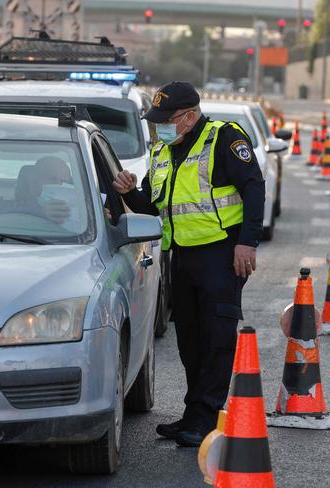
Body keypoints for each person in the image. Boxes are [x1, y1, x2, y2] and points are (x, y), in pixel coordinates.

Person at [112, 81, 265, 447]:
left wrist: (247, 243)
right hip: (181, 256)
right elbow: (152, 205)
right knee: (190, 342)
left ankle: (207, 417)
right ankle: (194, 413)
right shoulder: (164, 151)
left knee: (216, 340)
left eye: (167, 120)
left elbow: (254, 188)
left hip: (221, 255)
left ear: (190, 117)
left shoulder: (224, 139)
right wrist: (129, 192)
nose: (160, 127)